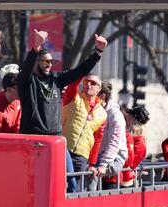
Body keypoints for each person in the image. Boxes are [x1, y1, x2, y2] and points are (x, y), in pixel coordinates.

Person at [18, 29, 107, 193]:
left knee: (71, 182)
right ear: (37, 62)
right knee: (36, 182)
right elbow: (25, 71)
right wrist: (35, 48)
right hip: (34, 139)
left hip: (56, 139)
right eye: (45, 62)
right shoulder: (28, 81)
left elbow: (79, 71)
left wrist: (97, 53)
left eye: (51, 62)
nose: (49, 65)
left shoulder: (56, 80)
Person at [61, 75, 107, 192]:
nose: (89, 85)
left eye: (93, 83)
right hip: (64, 149)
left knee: (74, 189)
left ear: (99, 89)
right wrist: (82, 71)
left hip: (81, 155)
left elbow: (97, 139)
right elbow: (73, 85)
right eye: (86, 81)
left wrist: (91, 164)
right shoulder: (74, 97)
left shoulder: (102, 113)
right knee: (59, 185)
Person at [88, 81, 127, 190]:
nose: (88, 99)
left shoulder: (115, 115)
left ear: (102, 96)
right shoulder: (93, 111)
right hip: (97, 156)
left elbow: (114, 143)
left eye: (92, 96)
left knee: (90, 172)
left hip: (115, 158)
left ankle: (88, 201)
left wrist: (103, 164)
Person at [119, 105, 150, 187]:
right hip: (121, 177)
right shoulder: (132, 136)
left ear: (133, 119)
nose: (127, 117)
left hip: (126, 180)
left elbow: (132, 163)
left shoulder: (139, 140)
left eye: (129, 115)